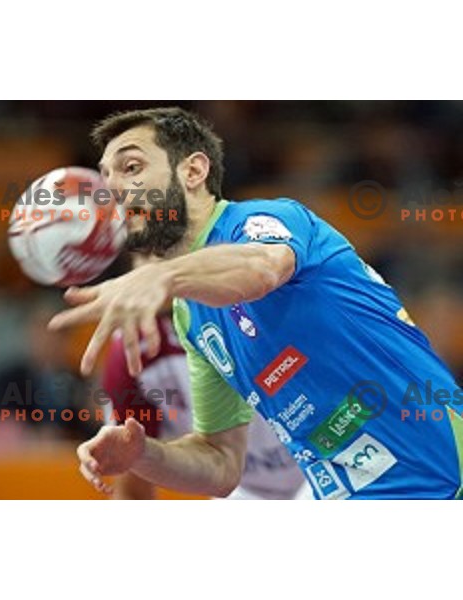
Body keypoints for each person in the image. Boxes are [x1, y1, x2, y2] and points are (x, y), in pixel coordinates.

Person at [49, 107, 463, 499]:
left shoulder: (267, 219)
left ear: (193, 170)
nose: (112, 190)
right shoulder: (190, 315)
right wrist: (142, 456)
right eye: (105, 176)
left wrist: (161, 275)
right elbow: (221, 463)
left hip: (441, 476)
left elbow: (262, 268)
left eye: (132, 168)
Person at [102, 311, 305, 500]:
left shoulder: (285, 302)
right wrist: (143, 453)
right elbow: (133, 490)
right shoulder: (134, 350)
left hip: (326, 460)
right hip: (242, 490)